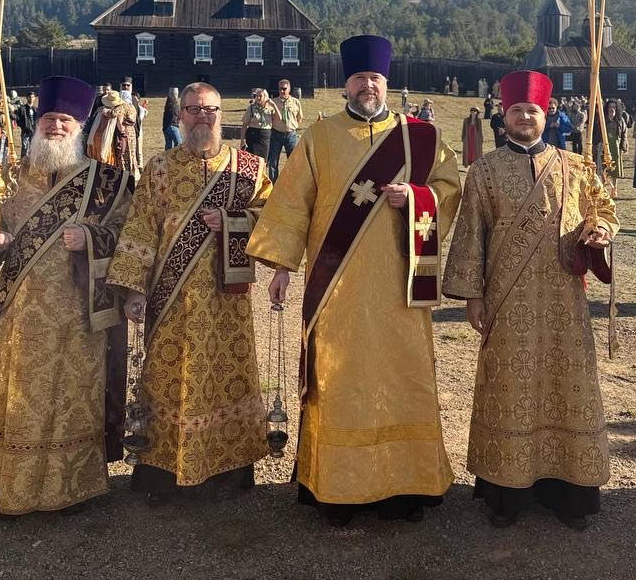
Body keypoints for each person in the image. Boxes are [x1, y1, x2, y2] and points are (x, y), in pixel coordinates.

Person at [247, 35, 462, 527]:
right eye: (360, 78)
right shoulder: (319, 137)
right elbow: (292, 203)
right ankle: (338, 490)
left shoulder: (421, 137)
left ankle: (407, 487)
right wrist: (281, 267)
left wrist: (417, 197)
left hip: (399, 288)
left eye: (376, 78)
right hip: (336, 288)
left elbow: (449, 189)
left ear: (387, 82)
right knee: (337, 378)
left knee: (401, 377)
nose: (369, 85)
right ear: (346, 83)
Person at [442, 70, 618, 531]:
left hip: (564, 302)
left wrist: (601, 229)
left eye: (533, 110)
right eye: (517, 110)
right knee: (509, 386)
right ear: (504, 116)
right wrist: (472, 295)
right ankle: (507, 495)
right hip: (508, 300)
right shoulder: (484, 171)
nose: (524, 117)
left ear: (546, 114)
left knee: (567, 385)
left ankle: (569, 493)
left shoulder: (576, 165)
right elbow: (470, 234)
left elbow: (603, 210)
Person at [0, 76, 134, 517]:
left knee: (72, 398)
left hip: (80, 315)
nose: (56, 127)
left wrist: (92, 238)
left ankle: (72, 488)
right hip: (23, 314)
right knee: (22, 395)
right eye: (49, 119)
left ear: (80, 127)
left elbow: (129, 236)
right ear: (37, 123)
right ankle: (10, 481)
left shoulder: (106, 183)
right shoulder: (8, 176)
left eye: (65, 121)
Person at [107, 82, 272, 505]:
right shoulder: (159, 168)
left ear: (222, 114)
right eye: (193, 109)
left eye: (210, 109)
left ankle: (227, 472)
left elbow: (273, 219)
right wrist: (133, 290)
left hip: (227, 302)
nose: (202, 116)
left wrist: (235, 220)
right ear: (179, 115)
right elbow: (140, 228)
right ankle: (163, 475)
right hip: (170, 301)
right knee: (167, 380)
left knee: (226, 379)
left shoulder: (249, 168)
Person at [87, 89, 139, 175]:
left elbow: (115, 117)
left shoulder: (120, 107)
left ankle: (123, 172)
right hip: (131, 132)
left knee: (122, 153)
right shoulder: (132, 107)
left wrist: (104, 111)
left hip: (123, 133)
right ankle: (133, 172)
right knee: (132, 153)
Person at [267, 78, 303, 184]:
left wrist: (293, 126)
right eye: (280, 89)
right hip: (276, 134)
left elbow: (300, 117)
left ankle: (292, 183)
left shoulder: (296, 102)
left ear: (289, 89)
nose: (282, 91)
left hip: (291, 135)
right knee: (273, 162)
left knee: (292, 161)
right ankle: (273, 184)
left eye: (284, 89)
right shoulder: (274, 102)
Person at [240, 88, 277, 159]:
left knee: (263, 160)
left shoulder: (270, 109)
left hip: (265, 137)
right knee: (251, 159)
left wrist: (274, 105)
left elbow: (279, 118)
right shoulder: (251, 108)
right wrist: (242, 140)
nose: (258, 98)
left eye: (260, 96)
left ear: (266, 97)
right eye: (257, 96)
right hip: (253, 135)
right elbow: (244, 125)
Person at [604, 101, 628, 180]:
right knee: (604, 168)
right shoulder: (603, 119)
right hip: (605, 146)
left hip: (616, 146)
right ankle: (604, 185)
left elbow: (624, 134)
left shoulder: (620, 120)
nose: (612, 109)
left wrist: (624, 146)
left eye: (614, 107)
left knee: (615, 168)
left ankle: (614, 186)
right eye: (610, 107)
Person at [17, 90, 38, 158]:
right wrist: (24, 127)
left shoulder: (36, 109)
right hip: (25, 131)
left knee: (33, 147)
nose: (31, 99)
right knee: (25, 147)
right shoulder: (22, 109)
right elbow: (18, 120)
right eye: (29, 97)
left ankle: (31, 161)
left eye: (32, 97)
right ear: (27, 98)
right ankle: (23, 161)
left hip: (34, 131)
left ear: (34, 98)